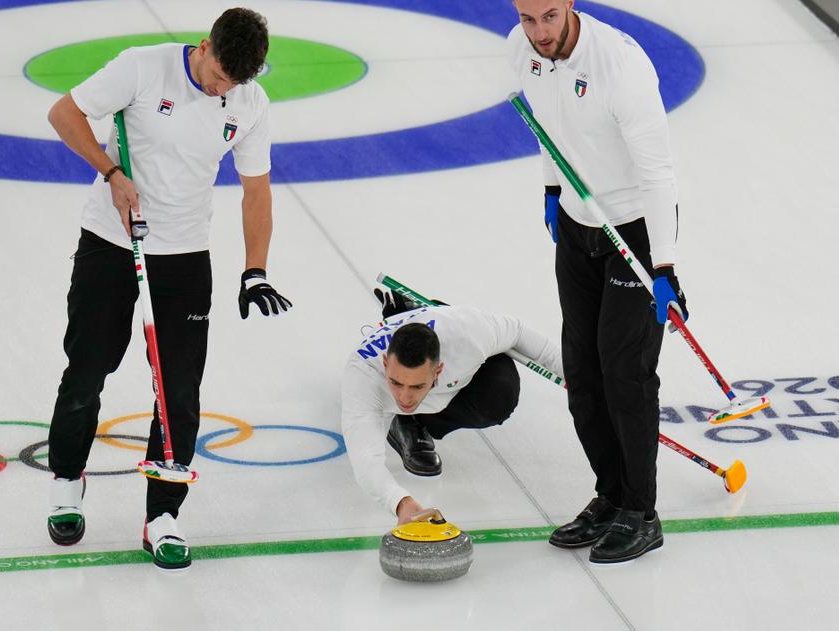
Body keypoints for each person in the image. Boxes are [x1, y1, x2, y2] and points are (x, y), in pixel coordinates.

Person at [42, 8, 293, 571]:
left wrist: (256, 269)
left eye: (234, 84)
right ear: (204, 46)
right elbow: (65, 113)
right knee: (87, 367)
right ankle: (65, 480)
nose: (221, 90)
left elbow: (257, 192)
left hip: (183, 257)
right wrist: (111, 172)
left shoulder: (250, 103)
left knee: (179, 390)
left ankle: (163, 515)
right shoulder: (142, 68)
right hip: (111, 241)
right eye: (217, 76)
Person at [507, 0, 688, 563]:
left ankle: (641, 511)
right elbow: (545, 127)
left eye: (549, 18)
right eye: (527, 19)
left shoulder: (621, 67)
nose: (539, 33)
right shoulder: (520, 50)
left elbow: (658, 173)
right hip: (579, 230)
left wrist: (665, 268)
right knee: (582, 372)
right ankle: (610, 496)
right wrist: (551, 190)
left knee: (625, 372)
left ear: (569, 5)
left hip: (631, 230)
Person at [342, 290, 563, 525]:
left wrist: (579, 374)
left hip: (454, 336)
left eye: (417, 386)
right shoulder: (363, 376)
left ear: (438, 370)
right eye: (395, 382)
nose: (404, 397)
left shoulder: (471, 336)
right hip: (424, 364)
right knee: (402, 403)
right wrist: (400, 502)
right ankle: (406, 415)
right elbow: (366, 462)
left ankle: (417, 417)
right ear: (386, 363)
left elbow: (519, 333)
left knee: (499, 398)